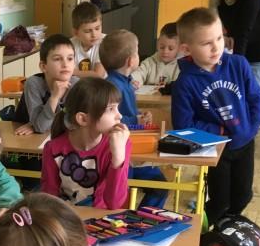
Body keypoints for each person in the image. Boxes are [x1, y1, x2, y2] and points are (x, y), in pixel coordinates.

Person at [172, 7, 260, 226]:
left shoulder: (238, 64)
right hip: (216, 149)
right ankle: (201, 232)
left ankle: (225, 229)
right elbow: (183, 125)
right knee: (220, 201)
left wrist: (252, 125)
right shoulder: (185, 83)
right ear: (187, 48)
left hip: (245, 142)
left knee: (243, 196)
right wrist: (220, 131)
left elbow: (256, 97)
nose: (216, 47)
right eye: (206, 43)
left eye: (219, 38)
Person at [101, 29, 168, 208]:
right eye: (137, 51)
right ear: (130, 61)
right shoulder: (113, 86)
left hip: (132, 148)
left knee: (160, 186)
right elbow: (111, 121)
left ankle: (141, 218)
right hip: (120, 153)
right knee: (123, 196)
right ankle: (133, 219)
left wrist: (139, 116)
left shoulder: (124, 82)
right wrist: (136, 120)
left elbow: (126, 112)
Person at [40, 77, 130, 208]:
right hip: (66, 216)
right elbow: (49, 198)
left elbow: (115, 203)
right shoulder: (53, 149)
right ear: (83, 119)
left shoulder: (120, 144)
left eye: (117, 108)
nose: (119, 116)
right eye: (111, 109)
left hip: (101, 217)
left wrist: (118, 157)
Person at [14, 34, 78, 135]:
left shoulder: (77, 85)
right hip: (25, 134)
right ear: (44, 66)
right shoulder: (33, 84)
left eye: (70, 59)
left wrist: (36, 124)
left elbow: (76, 124)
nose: (65, 64)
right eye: (57, 59)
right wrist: (55, 97)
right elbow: (41, 127)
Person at [130, 22, 181, 88]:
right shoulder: (149, 62)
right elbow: (139, 73)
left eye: (171, 49)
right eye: (162, 47)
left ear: (179, 48)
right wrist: (134, 81)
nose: (165, 51)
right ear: (157, 43)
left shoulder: (181, 66)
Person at [70, 1, 106, 78]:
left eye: (97, 28)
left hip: (100, 84)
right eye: (87, 31)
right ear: (76, 33)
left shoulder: (105, 43)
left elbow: (98, 75)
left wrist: (73, 72)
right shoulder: (70, 45)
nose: (94, 35)